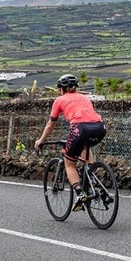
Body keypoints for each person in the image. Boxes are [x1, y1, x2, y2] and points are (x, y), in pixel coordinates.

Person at [34, 74, 107, 212]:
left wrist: (41, 140)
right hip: (100, 127)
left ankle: (81, 194)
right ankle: (90, 174)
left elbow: (51, 124)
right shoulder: (84, 97)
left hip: (80, 128)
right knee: (85, 146)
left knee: (69, 163)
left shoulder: (60, 100)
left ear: (61, 89)